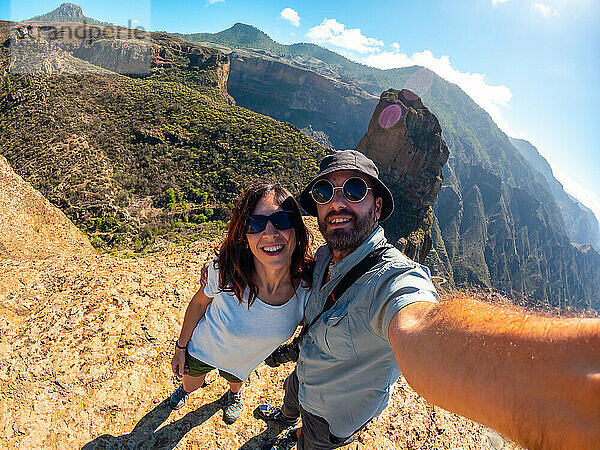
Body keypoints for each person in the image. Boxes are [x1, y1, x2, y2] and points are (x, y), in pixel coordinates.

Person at [257, 150, 600, 450]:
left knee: (311, 442)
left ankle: (297, 438)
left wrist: (560, 382)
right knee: (291, 396)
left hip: (332, 414)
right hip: (304, 376)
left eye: (355, 190)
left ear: (377, 207)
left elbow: (421, 324)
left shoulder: (393, 278)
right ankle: (283, 419)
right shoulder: (324, 258)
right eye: (324, 191)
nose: (337, 203)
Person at [169, 182, 313, 424]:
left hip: (242, 363)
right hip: (202, 350)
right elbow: (198, 305)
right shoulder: (225, 272)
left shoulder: (308, 292)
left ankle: (234, 396)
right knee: (190, 384)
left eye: (282, 220)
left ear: (297, 229)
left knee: (235, 382)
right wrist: (181, 348)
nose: (269, 233)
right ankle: (185, 391)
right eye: (255, 224)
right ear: (245, 238)